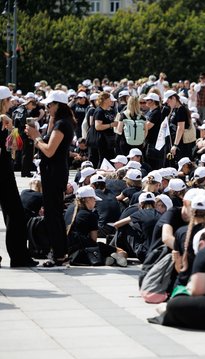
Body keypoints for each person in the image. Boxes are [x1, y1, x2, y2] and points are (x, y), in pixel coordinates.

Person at [26, 90, 75, 267]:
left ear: (58, 105)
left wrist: (36, 137)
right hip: (54, 172)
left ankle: (60, 254)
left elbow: (49, 150)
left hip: (54, 173)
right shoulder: (60, 122)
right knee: (54, 214)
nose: (47, 108)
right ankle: (61, 253)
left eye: (50, 105)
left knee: (53, 215)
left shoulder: (62, 124)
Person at [0, 86, 36, 267]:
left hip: (5, 170)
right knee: (15, 214)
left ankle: (19, 256)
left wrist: (12, 127)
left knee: (14, 214)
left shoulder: (6, 121)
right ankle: (19, 256)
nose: (11, 103)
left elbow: (15, 147)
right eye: (9, 100)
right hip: (3, 172)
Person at [65, 186, 126, 267]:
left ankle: (108, 259)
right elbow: (93, 240)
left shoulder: (70, 209)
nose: (95, 203)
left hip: (68, 251)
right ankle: (112, 258)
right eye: (94, 199)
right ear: (88, 199)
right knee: (122, 251)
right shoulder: (91, 215)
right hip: (85, 251)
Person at [93, 92, 118, 166]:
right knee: (103, 159)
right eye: (110, 99)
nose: (111, 101)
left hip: (108, 139)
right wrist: (111, 125)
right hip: (102, 139)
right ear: (105, 100)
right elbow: (98, 126)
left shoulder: (108, 110)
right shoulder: (99, 111)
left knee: (109, 158)